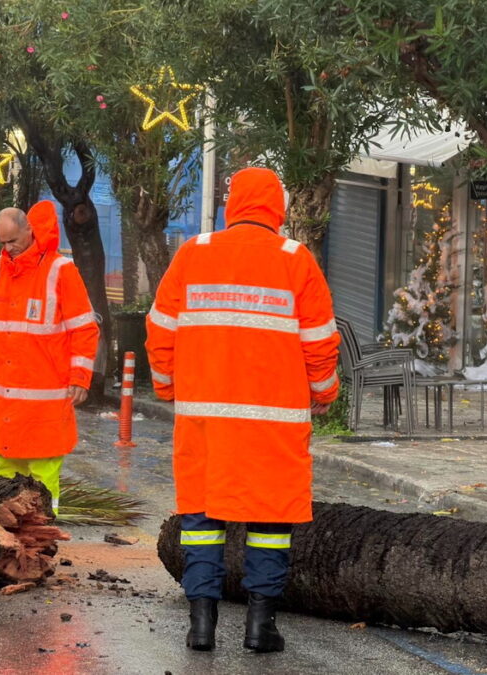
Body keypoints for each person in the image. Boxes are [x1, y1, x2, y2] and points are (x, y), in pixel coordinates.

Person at [145, 167, 341, 653]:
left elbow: (160, 329)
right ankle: (260, 627)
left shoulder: (195, 253)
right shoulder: (296, 260)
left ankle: (202, 626)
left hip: (205, 418)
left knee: (202, 519)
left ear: (231, 205)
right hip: (272, 421)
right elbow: (319, 340)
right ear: (279, 209)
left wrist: (167, 387)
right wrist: (324, 392)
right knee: (270, 523)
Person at [0, 202, 99, 514]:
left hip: (46, 398)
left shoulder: (60, 271)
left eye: (13, 241)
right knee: (2, 469)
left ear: (29, 231)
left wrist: (80, 378)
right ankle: (0, 534)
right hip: (6, 397)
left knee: (44, 471)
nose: (7, 249)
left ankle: (43, 533)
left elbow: (84, 329)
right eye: (2, 243)